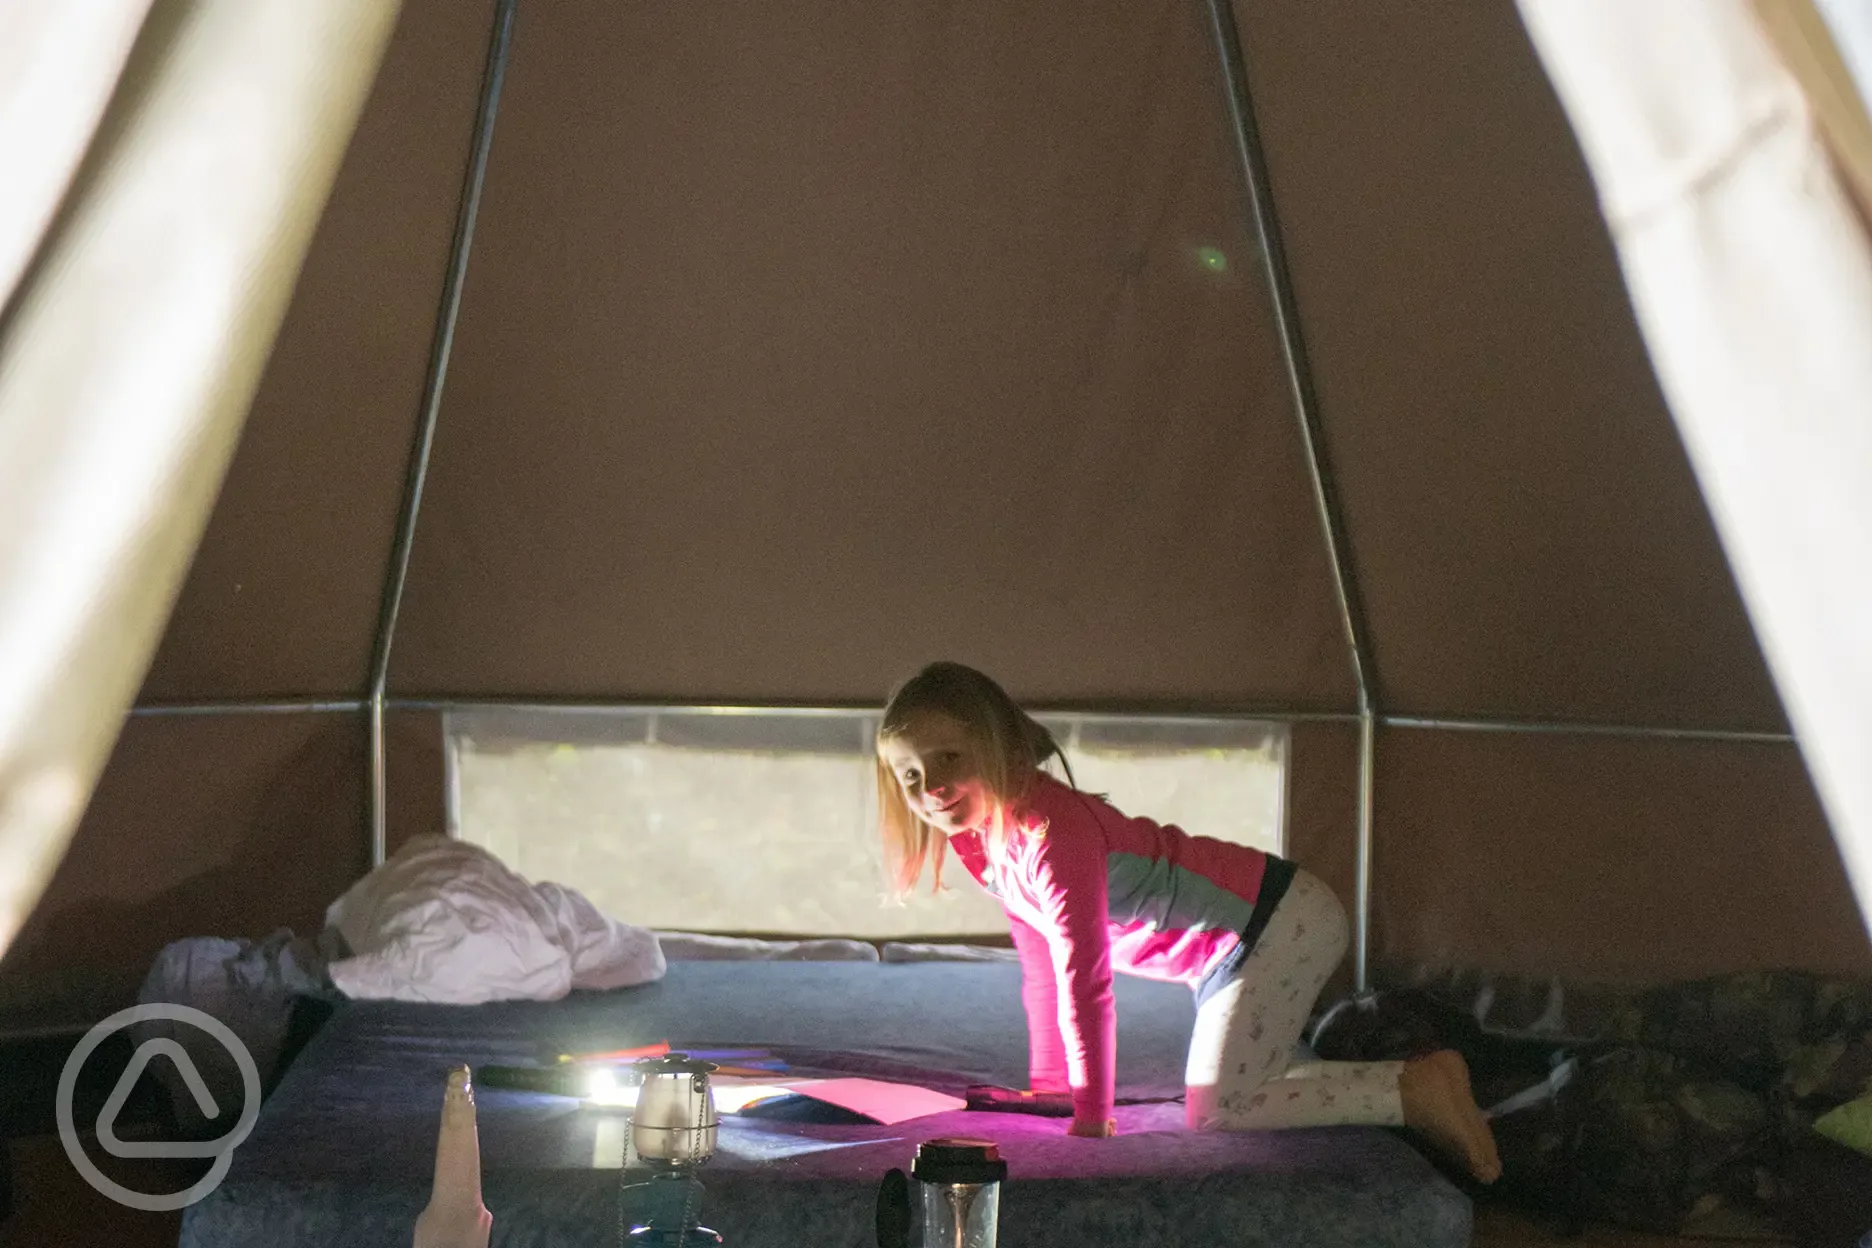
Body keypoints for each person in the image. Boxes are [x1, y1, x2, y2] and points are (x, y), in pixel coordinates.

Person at [874, 661, 1501, 1183]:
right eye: (909, 774)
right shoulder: (988, 848)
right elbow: (1040, 972)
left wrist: (1093, 1111)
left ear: (1005, 751)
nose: (928, 785)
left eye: (947, 757)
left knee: (1217, 1109)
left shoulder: (1050, 832)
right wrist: (1050, 1085)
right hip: (1229, 949)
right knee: (1241, 1081)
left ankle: (1414, 1091)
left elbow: (1083, 978)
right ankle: (1414, 1078)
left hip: (1274, 924)